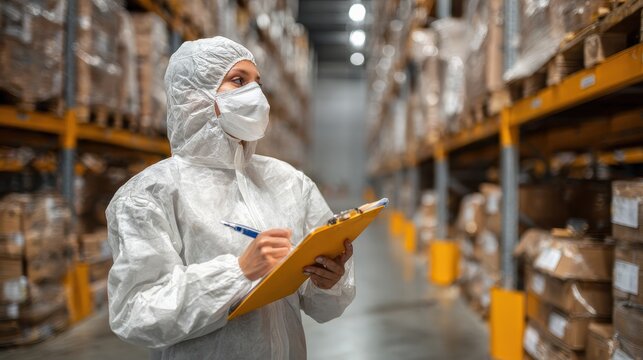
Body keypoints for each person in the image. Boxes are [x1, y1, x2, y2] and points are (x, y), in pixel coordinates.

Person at [106, 36, 355, 359]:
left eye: (257, 83)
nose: (256, 95)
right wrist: (238, 272)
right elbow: (136, 314)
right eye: (238, 81)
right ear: (194, 95)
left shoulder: (289, 182)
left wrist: (327, 281)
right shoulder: (148, 195)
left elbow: (322, 307)